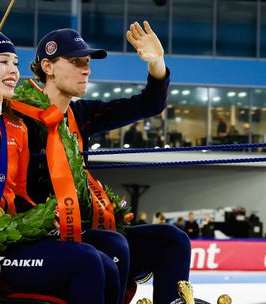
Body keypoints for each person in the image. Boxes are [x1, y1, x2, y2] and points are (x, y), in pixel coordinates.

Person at [0, 29, 125, 304]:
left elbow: (18, 194)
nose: (14, 71)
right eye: (3, 61)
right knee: (87, 261)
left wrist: (46, 220)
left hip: (12, 240)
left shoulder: (16, 126)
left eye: (16, 63)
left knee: (107, 263)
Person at [15, 22, 191, 304]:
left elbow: (148, 105)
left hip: (82, 232)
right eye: (75, 61)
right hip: (41, 238)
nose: (86, 69)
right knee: (113, 246)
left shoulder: (80, 114)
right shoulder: (19, 117)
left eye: (86, 61)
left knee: (172, 240)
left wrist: (157, 64)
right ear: (47, 67)